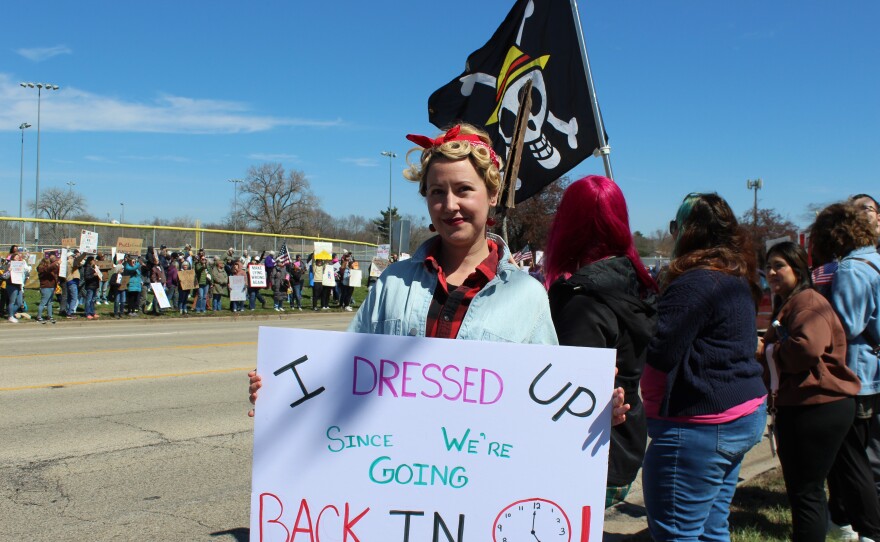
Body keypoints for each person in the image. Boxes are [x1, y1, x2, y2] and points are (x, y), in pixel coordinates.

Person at [249, 124, 628, 429]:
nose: (450, 205)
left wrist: (592, 412)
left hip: (478, 480)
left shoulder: (527, 296)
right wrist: (282, 393)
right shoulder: (393, 282)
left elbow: (549, 407)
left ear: (492, 194)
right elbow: (345, 374)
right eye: (436, 192)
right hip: (386, 472)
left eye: (464, 189)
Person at [640, 193, 767, 541]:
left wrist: (640, 319)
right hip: (740, 414)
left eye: (674, 227)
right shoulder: (733, 276)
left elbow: (661, 352)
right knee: (712, 527)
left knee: (677, 533)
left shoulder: (695, 282)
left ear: (688, 232)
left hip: (701, 425)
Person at [543, 175, 659, 509]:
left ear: (567, 224)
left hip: (589, 450)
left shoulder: (582, 300)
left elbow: (567, 393)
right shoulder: (636, 283)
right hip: (624, 444)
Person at [757, 241, 862, 541]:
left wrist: (769, 350)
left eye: (780, 265)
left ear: (798, 268)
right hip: (813, 404)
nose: (772, 272)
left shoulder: (807, 302)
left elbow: (808, 347)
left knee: (806, 493)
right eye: (769, 266)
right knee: (812, 489)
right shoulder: (791, 302)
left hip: (814, 407)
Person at [811, 202, 880, 542]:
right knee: (854, 457)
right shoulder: (875, 261)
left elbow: (847, 325)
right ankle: (842, 522)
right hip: (868, 373)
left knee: (852, 461)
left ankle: (869, 530)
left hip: (854, 375)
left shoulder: (852, 270)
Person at [36, 252, 60, 324]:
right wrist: (55, 263)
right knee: (44, 302)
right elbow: (48, 269)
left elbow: (54, 269)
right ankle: (39, 316)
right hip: (45, 287)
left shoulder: (50, 269)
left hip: (52, 286)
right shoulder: (42, 269)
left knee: (50, 302)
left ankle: (50, 316)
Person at [81, 255, 101, 320]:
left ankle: (92, 312)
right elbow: (86, 277)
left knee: (93, 300)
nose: (94, 261)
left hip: (95, 285)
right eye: (93, 260)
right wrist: (93, 275)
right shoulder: (87, 268)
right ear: (90, 261)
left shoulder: (94, 267)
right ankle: (87, 313)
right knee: (88, 300)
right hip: (90, 285)